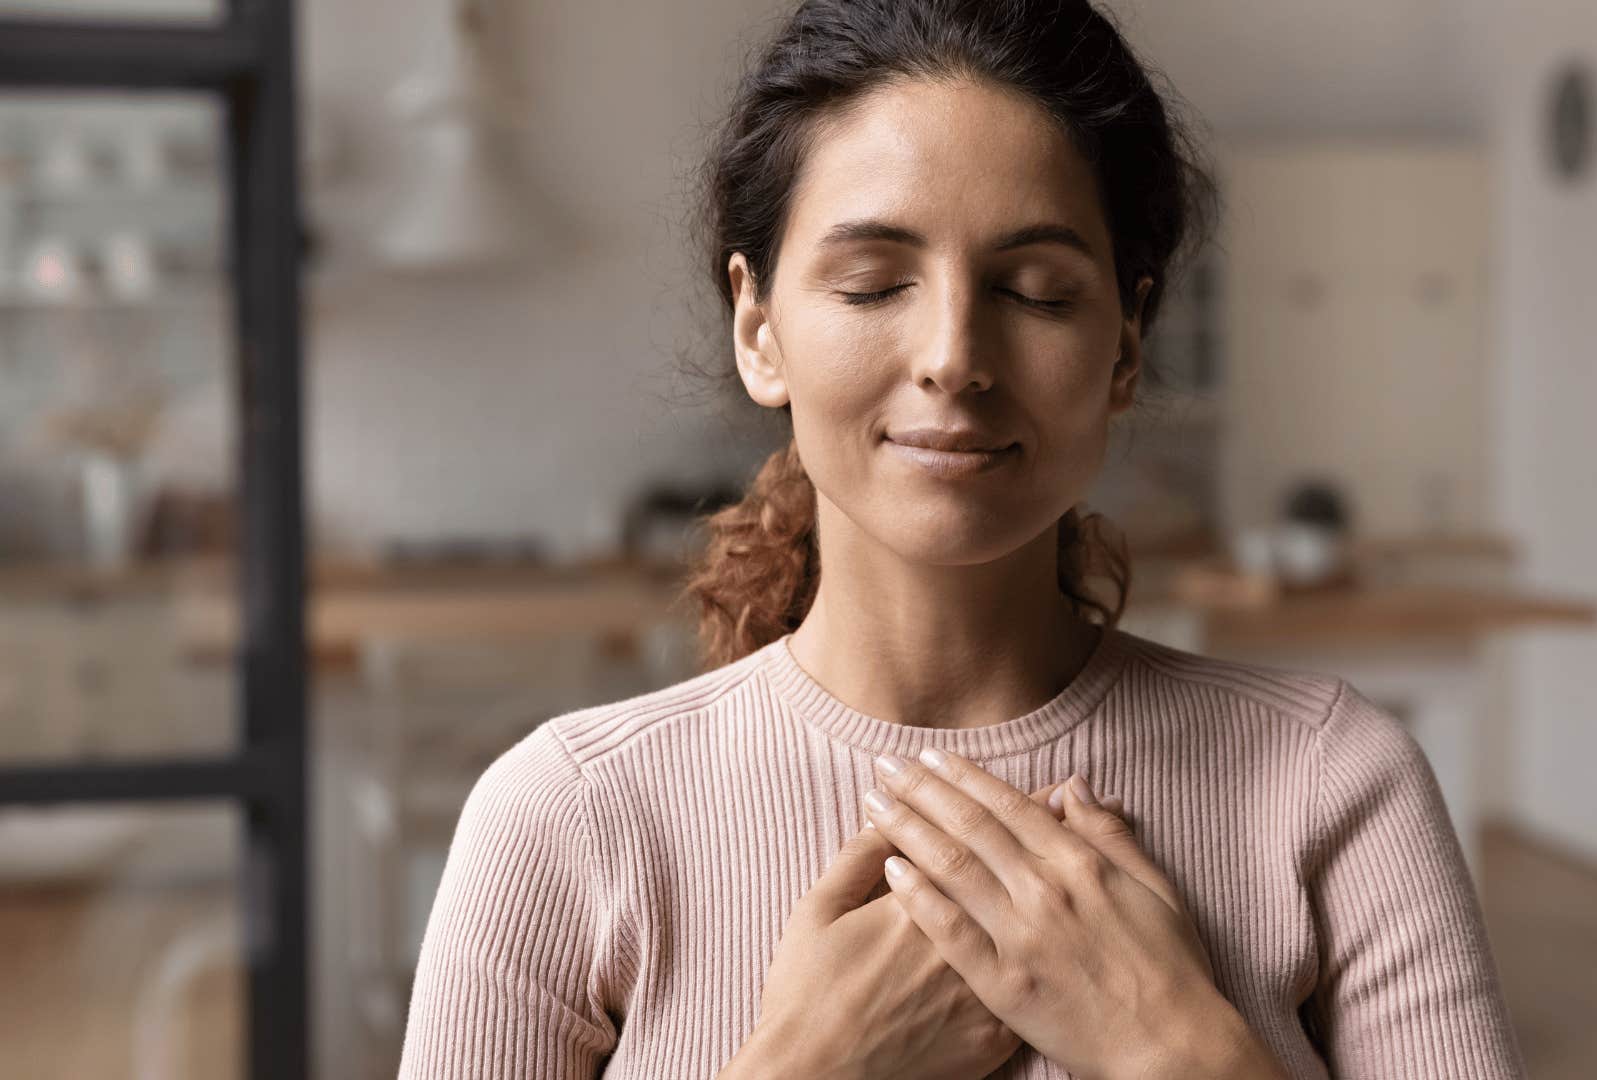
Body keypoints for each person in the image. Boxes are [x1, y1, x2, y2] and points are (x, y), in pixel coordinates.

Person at [397, 0, 1527, 1076]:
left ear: (1125, 347)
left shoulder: (1335, 788)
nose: (953, 354)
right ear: (759, 329)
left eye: (1037, 292)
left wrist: (1175, 1050)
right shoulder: (566, 820)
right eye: (875, 282)